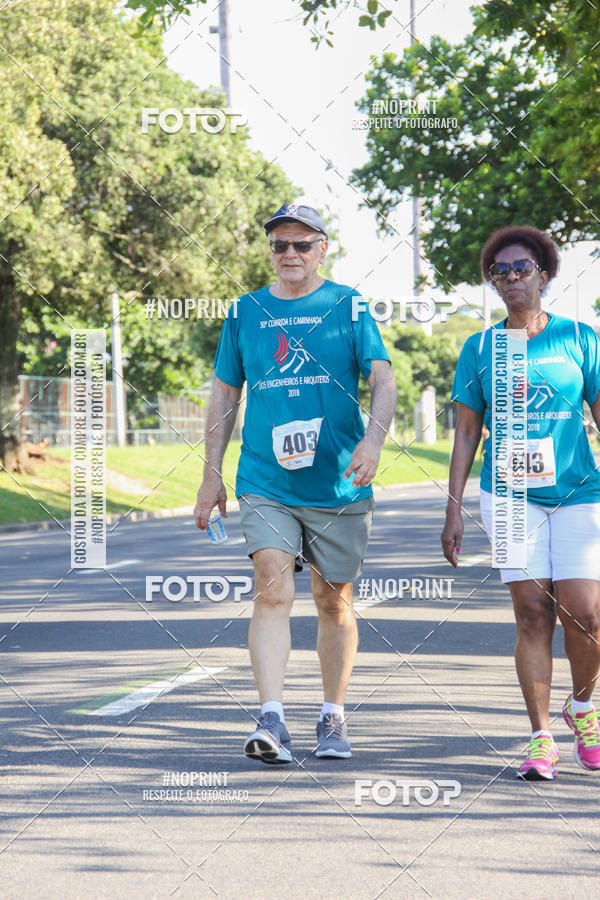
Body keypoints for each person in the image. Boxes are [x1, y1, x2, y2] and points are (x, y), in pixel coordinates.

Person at [194, 203, 396, 764]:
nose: (289, 255)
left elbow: (383, 380)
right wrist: (211, 473)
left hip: (337, 482)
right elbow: (223, 395)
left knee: (334, 602)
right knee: (272, 587)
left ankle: (332, 715)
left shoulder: (348, 306)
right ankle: (272, 717)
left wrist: (373, 441)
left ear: (322, 249)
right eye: (280, 245)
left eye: (301, 245)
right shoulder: (245, 312)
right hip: (266, 477)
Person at [442, 225, 600, 780]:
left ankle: (582, 707)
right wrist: (453, 505)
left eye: (521, 268)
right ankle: (540, 739)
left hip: (579, 492)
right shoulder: (481, 347)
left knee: (585, 613)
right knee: (532, 613)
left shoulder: (580, 339)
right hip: (508, 495)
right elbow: (466, 433)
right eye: (500, 271)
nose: (511, 277)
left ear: (545, 274)